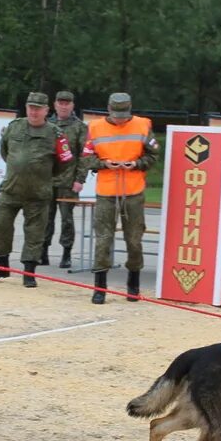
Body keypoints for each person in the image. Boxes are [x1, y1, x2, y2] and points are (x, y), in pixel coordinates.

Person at [0, 91, 73, 287]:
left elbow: (64, 162)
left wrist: (44, 174)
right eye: (31, 107)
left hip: (38, 193)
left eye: (38, 108)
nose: (34, 112)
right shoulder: (14, 128)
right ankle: (1, 266)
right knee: (0, 226)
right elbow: (5, 151)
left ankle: (29, 272)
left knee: (35, 233)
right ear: (26, 108)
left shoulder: (55, 133)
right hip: (11, 189)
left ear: (46, 111)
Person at [80, 92, 160, 304]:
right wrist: (103, 164)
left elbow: (153, 155)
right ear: (108, 109)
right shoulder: (95, 127)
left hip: (133, 192)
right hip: (106, 192)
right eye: (116, 115)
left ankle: (133, 285)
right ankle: (100, 288)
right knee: (103, 240)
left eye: (124, 115)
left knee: (134, 240)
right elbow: (86, 157)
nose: (120, 119)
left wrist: (136, 164)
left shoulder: (142, 125)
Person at [42, 90, 88, 269]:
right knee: (45, 218)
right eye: (60, 102)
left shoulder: (79, 127)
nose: (63, 106)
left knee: (67, 219)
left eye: (67, 103)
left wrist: (80, 180)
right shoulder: (46, 124)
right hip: (47, 179)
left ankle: (66, 253)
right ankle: (43, 252)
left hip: (68, 182)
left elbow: (84, 156)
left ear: (72, 106)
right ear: (54, 105)